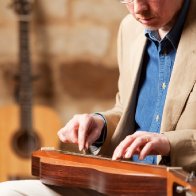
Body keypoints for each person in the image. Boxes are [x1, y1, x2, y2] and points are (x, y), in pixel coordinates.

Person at [0, 0, 195, 195]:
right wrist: (100, 125)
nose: (138, 9)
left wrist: (170, 143)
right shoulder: (129, 28)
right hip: (120, 182)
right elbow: (124, 111)